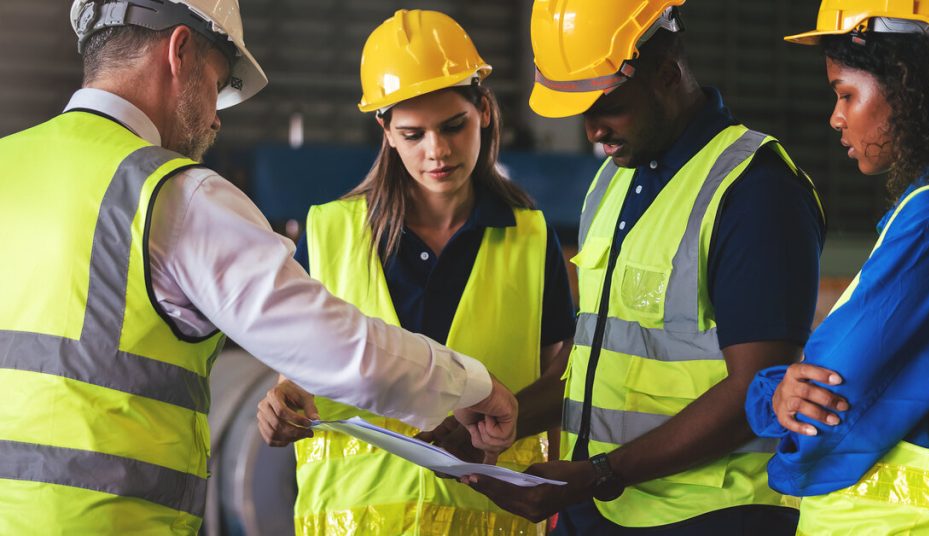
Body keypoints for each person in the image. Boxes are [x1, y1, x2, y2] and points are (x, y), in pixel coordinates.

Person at [0, 1, 520, 533]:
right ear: (180, 52)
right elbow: (342, 352)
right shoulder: (172, 196)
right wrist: (472, 386)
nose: (216, 116)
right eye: (218, 82)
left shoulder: (7, 166)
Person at [465, 1, 828, 534]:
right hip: (602, 508)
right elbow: (595, 362)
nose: (592, 131)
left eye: (606, 105)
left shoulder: (757, 191)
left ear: (666, 73)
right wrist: (508, 412)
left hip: (711, 515)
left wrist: (600, 474)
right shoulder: (611, 182)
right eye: (581, 112)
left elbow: (759, 389)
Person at [254, 9, 577, 535]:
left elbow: (557, 384)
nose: (438, 151)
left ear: (485, 111)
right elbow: (297, 378)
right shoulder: (330, 233)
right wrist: (281, 404)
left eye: (454, 126)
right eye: (413, 134)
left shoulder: (530, 238)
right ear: (385, 131)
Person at [744, 0, 929, 533]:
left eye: (846, 94)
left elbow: (826, 400)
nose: (836, 117)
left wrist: (768, 395)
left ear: (905, 85)